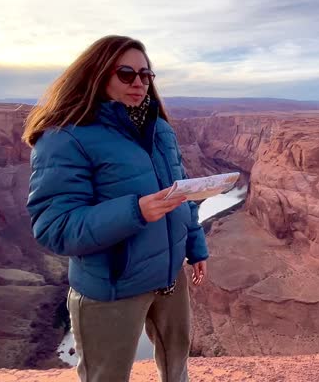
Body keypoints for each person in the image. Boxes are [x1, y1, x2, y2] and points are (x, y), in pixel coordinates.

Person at [22, 35, 208, 382]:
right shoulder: (65, 138)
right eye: (125, 73)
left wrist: (195, 246)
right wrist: (135, 212)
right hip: (111, 289)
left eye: (146, 75)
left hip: (169, 279)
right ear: (97, 74)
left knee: (177, 370)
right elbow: (55, 227)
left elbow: (181, 192)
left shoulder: (160, 131)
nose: (138, 82)